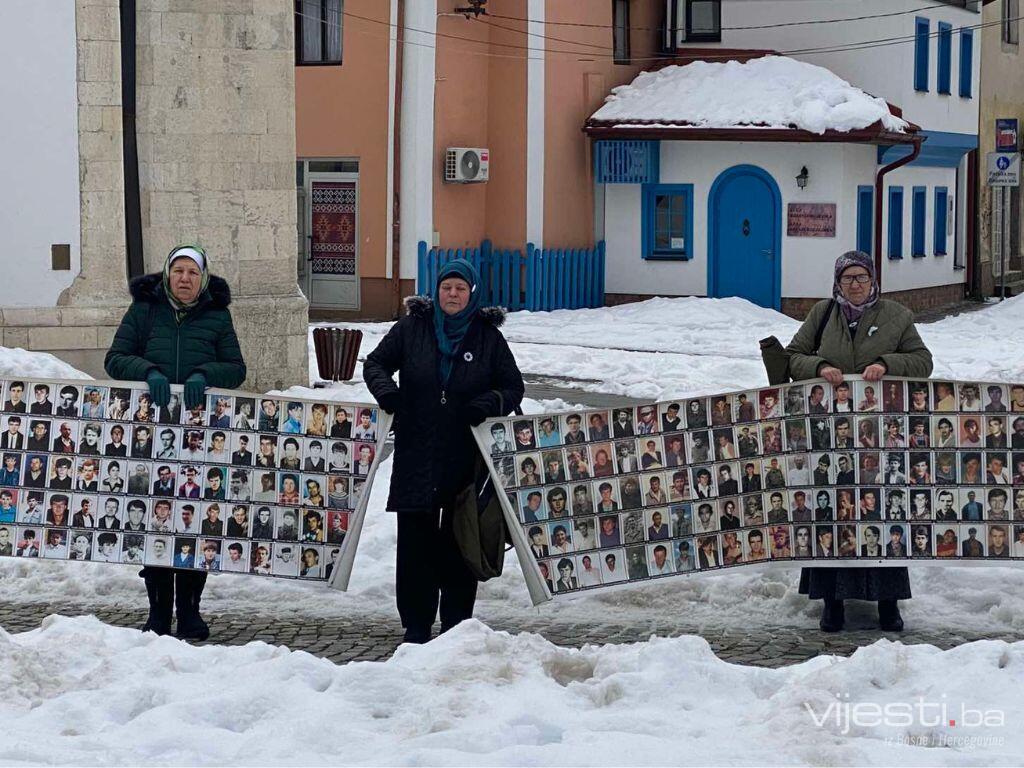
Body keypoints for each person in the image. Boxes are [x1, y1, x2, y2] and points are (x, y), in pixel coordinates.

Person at [364, 258, 524, 644]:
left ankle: (456, 624)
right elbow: (376, 364)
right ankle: (416, 625)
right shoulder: (411, 328)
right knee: (415, 544)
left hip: (463, 456)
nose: (453, 294)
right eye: (446, 287)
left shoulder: (487, 337)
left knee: (459, 541)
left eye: (460, 288)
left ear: (472, 293)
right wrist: (389, 395)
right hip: (416, 451)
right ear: (436, 291)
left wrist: (488, 403)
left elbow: (512, 387)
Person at [104, 244, 245, 641]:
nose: (185, 278)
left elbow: (236, 368)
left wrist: (204, 374)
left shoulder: (217, 315)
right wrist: (148, 371)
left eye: (193, 272)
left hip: (198, 437)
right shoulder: (144, 311)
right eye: (179, 271)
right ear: (167, 274)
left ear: (203, 279)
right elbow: (115, 358)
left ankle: (190, 611)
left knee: (193, 521)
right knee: (156, 519)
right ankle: (158, 611)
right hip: (151, 436)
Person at [787, 250, 932, 633]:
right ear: (837, 282)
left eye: (861, 277)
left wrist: (887, 364)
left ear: (873, 280)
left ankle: (888, 602)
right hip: (831, 437)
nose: (855, 284)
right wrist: (820, 367)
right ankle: (832, 602)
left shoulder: (896, 315)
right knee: (834, 512)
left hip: (879, 437)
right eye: (847, 278)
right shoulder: (822, 314)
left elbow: (923, 361)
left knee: (881, 511)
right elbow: (793, 357)